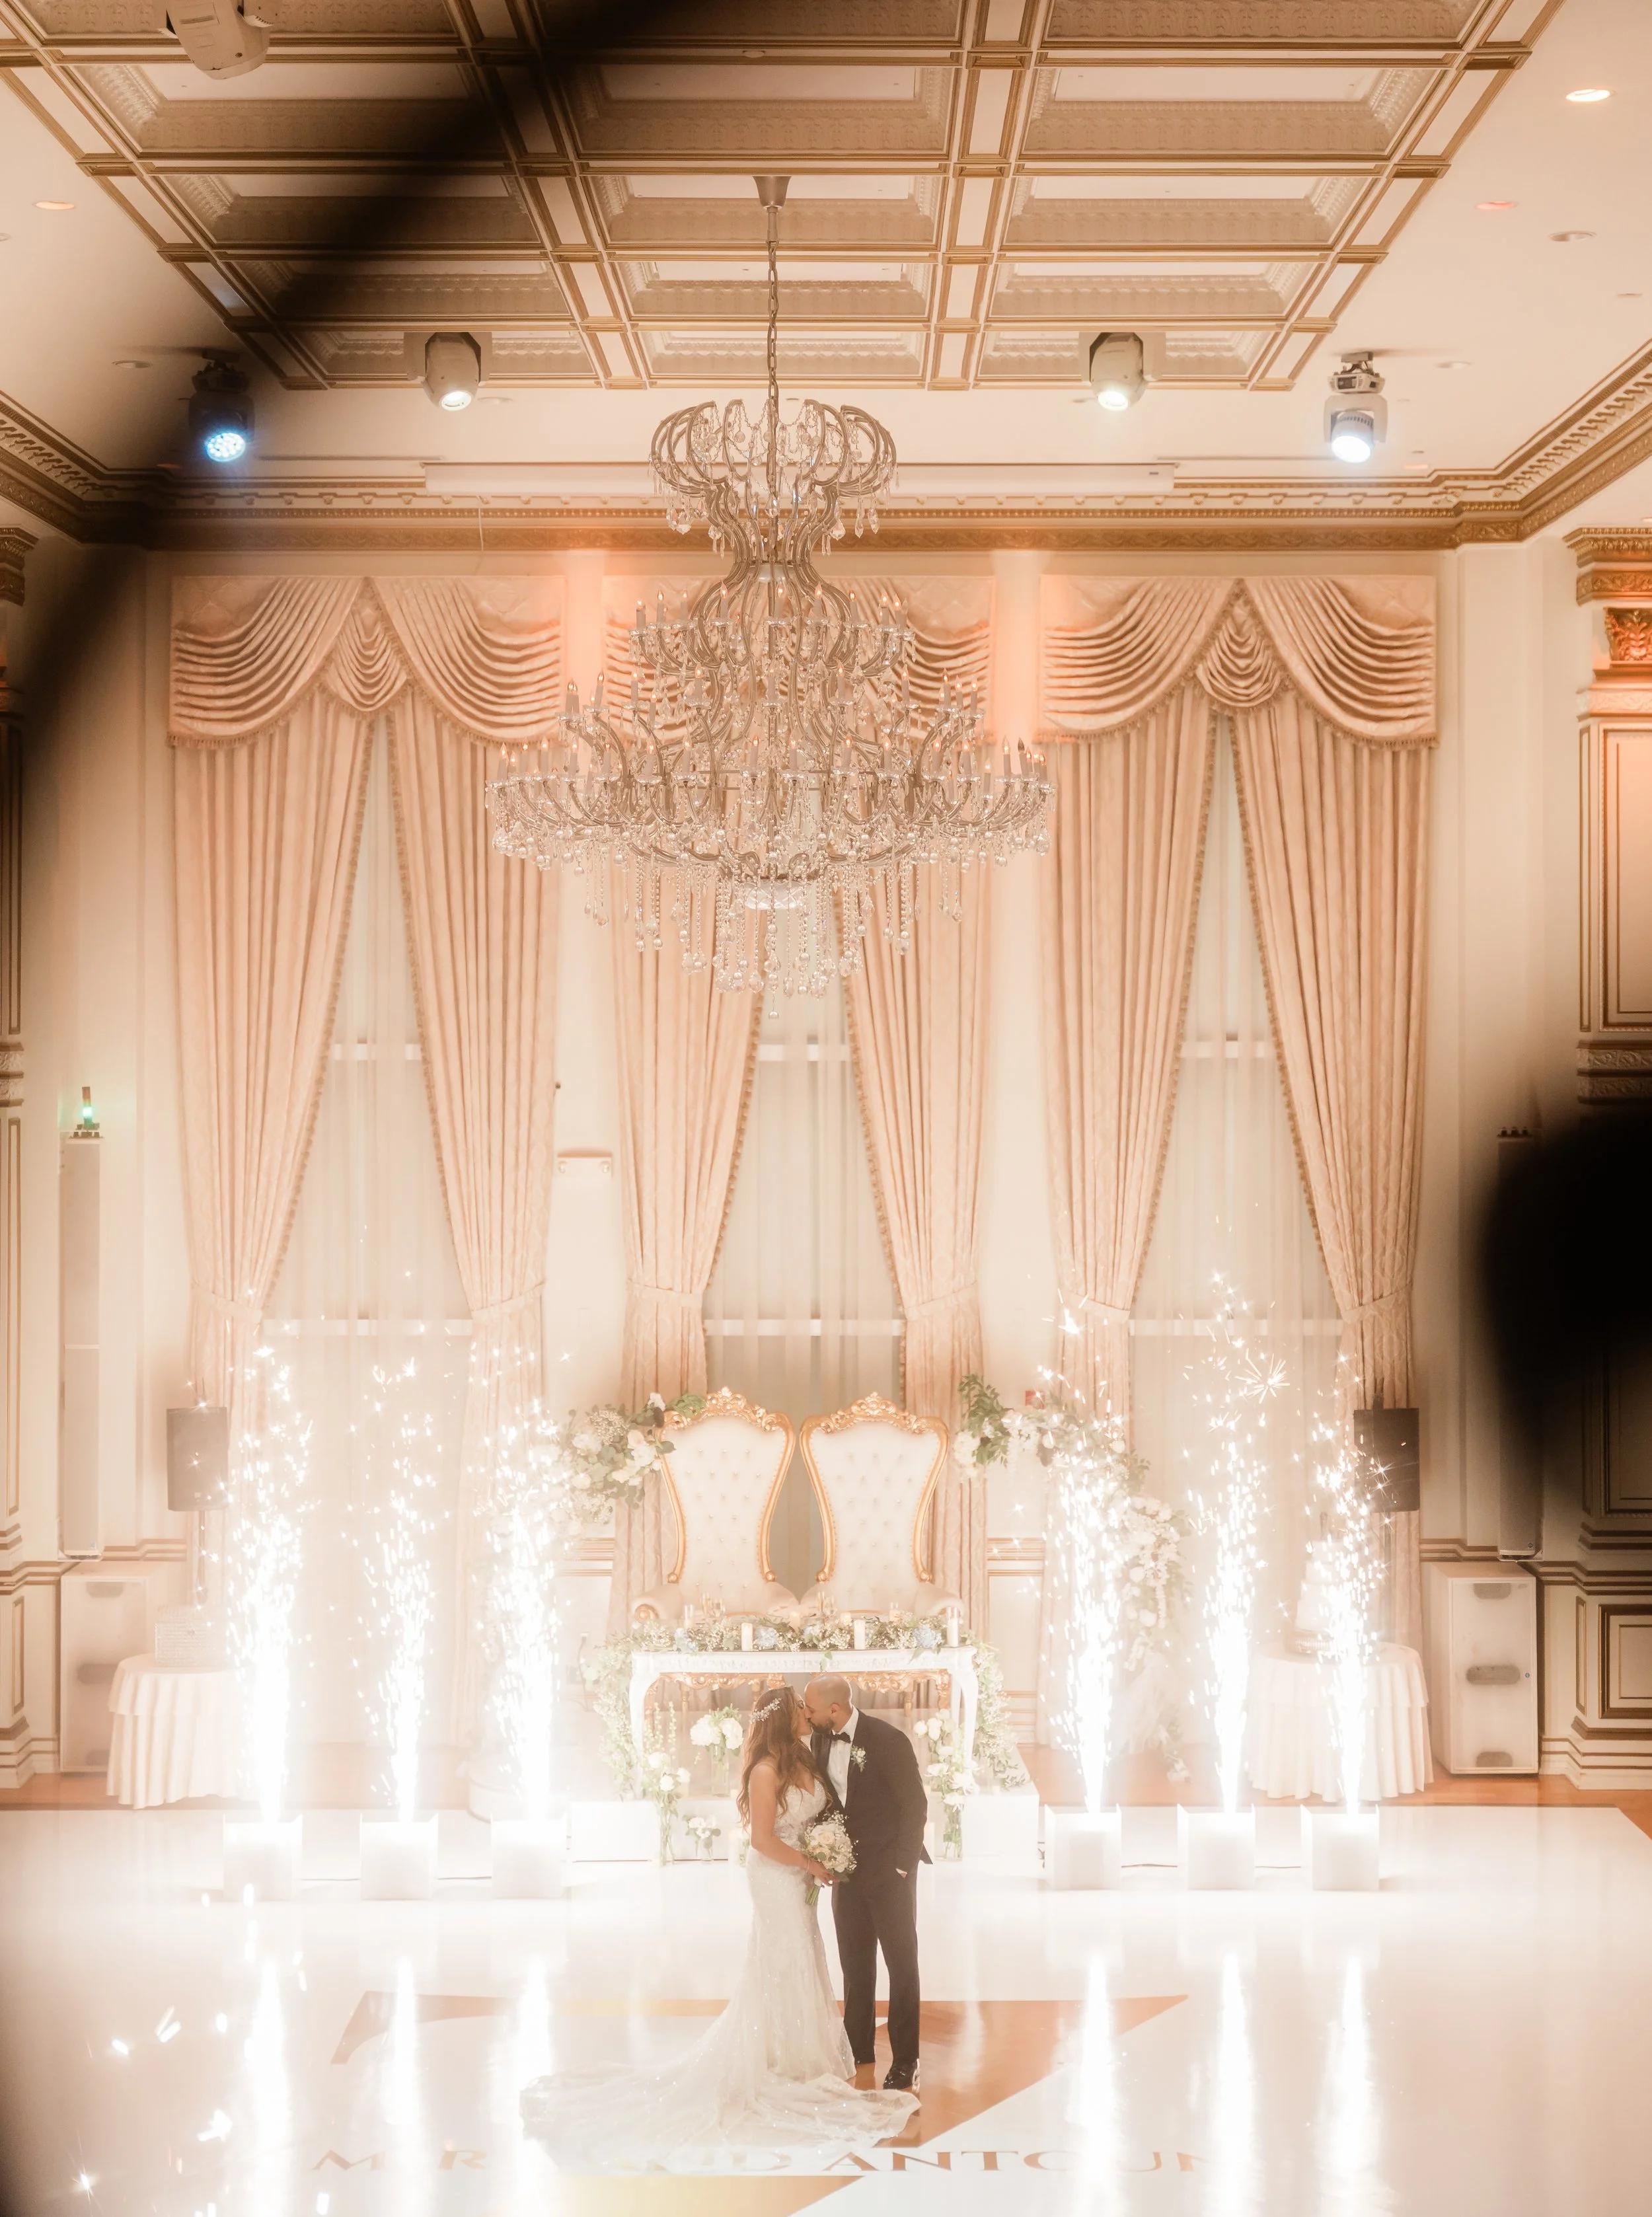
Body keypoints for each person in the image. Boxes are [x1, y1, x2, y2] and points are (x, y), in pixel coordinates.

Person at [519, 1685, 917, 2164]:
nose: (807, 1715)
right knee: (790, 1958)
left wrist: (842, 1854)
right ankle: (789, 2057)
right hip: (779, 1876)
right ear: (786, 1719)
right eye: (800, 1710)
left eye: (809, 1708)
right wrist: (812, 1862)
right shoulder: (768, 1769)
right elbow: (764, 1838)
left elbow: (876, 1806)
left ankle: (853, 2052)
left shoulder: (820, 1751)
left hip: (830, 1873)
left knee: (813, 1955)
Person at [804, 1673, 929, 2094]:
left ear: (835, 1710)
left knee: (902, 1965)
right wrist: (825, 1851)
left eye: (812, 1709)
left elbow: (915, 1804)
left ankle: (907, 2060)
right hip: (847, 1873)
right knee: (855, 1966)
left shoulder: (887, 1740)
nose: (807, 1716)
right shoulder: (820, 1741)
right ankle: (858, 2047)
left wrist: (901, 1867)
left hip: (891, 1872)